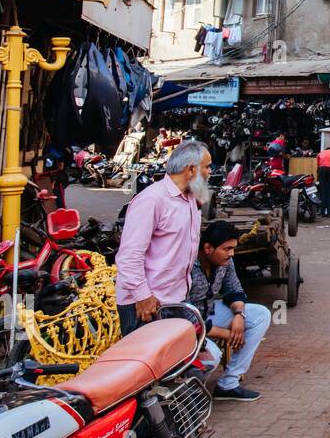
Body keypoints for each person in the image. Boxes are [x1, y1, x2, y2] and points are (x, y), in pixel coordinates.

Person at [115, 140, 212, 336]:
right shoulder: (152, 199)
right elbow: (129, 256)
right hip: (147, 303)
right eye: (207, 167)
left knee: (185, 360)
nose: (210, 172)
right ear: (191, 170)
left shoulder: (190, 200)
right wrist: (143, 296)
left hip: (174, 299)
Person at [189, 220, 270, 402]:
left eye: (233, 248)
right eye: (227, 249)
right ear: (208, 248)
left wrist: (239, 316)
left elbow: (234, 290)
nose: (231, 253)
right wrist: (228, 334)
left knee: (260, 315)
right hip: (186, 326)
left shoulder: (225, 262)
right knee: (212, 358)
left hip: (209, 312)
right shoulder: (187, 267)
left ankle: (228, 384)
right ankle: (188, 395)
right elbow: (186, 319)